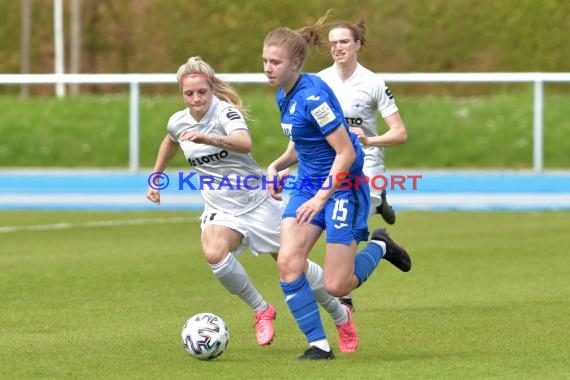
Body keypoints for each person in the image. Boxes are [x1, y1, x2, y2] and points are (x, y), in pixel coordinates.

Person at [146, 56, 357, 351]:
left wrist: (209, 138)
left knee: (293, 265)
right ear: (182, 94)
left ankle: (340, 315)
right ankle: (261, 310)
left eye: (202, 92)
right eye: (189, 94)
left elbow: (244, 143)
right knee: (214, 252)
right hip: (222, 209)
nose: (196, 99)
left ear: (212, 89)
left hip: (257, 202)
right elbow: (171, 140)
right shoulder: (178, 121)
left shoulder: (225, 113)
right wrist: (156, 176)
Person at [262, 15, 412, 360]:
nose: (268, 68)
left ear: (295, 63)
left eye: (275, 62)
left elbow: (345, 152)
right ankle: (318, 344)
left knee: (336, 285)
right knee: (288, 261)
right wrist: (276, 165)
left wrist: (320, 197)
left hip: (343, 185)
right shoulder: (285, 96)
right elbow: (301, 143)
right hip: (309, 183)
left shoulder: (313, 97)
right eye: (265, 61)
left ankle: (379, 246)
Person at [317, 18, 409, 311]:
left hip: (366, 167)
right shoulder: (319, 81)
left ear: (358, 45)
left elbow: (399, 133)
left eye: (344, 41)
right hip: (330, 166)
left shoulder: (373, 83)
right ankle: (380, 239)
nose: (337, 47)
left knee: (345, 226)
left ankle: (344, 295)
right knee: (331, 227)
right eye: (332, 42)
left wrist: (369, 141)